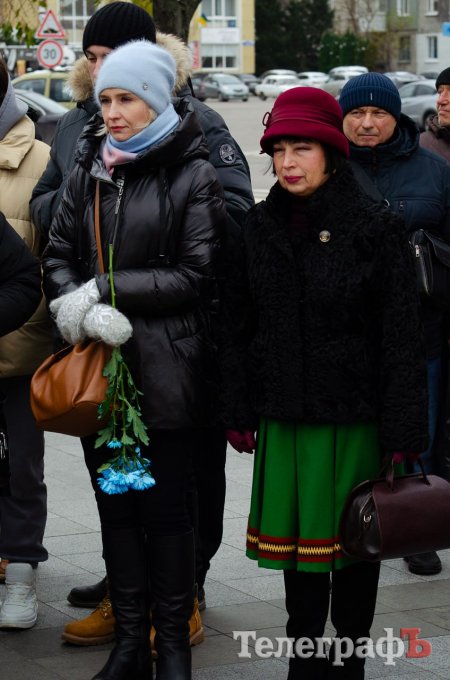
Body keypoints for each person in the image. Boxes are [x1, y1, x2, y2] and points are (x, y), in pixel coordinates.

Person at [30, 1, 253, 642]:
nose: (103, 76)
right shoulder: (79, 127)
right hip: (99, 341)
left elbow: (233, 217)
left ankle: (186, 593)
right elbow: (48, 205)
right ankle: (123, 591)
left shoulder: (200, 123)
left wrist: (139, 232)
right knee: (116, 481)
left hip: (179, 341)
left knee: (186, 480)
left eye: (116, 60)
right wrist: (86, 211)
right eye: (94, 60)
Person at [219, 86, 428, 680]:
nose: (288, 162)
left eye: (302, 148)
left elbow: (401, 337)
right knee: (299, 559)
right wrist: (237, 405)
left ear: (332, 153)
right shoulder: (257, 227)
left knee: (356, 550)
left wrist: (403, 431)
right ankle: (304, 661)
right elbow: (235, 325)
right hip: (285, 419)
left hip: (355, 421)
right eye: (279, 150)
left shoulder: (375, 227)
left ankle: (351, 660)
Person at [339, 72, 450, 577]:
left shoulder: (433, 171)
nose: (367, 123)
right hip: (346, 333)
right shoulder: (325, 166)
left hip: (419, 330)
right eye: (357, 113)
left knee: (416, 432)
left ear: (395, 116)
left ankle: (414, 529)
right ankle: (351, 521)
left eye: (378, 113)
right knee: (349, 434)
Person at [0, 58, 52, 629]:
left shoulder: (39, 156)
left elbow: (49, 255)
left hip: (21, 341)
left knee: (20, 467)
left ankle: (21, 572)